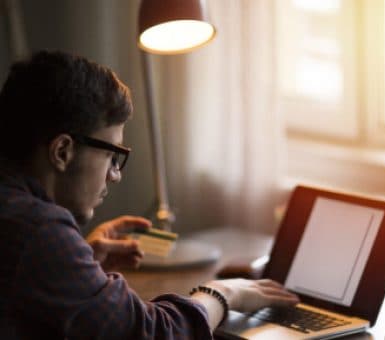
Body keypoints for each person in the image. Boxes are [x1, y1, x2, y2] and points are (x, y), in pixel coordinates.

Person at [0, 50, 298, 339]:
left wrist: (80, 267)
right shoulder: (40, 231)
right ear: (62, 151)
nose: (115, 175)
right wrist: (221, 293)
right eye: (112, 156)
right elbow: (155, 333)